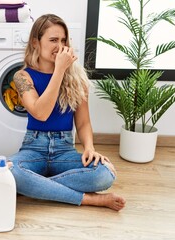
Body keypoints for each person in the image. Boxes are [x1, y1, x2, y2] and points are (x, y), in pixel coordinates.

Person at [9, 14, 126, 211]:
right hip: (34, 149)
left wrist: (89, 147)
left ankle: (35, 186)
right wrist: (59, 71)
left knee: (105, 173)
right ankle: (89, 199)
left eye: (63, 40)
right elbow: (41, 113)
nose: (60, 45)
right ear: (36, 42)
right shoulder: (22, 76)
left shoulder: (77, 78)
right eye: (53, 40)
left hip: (64, 150)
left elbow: (83, 123)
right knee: (11, 171)